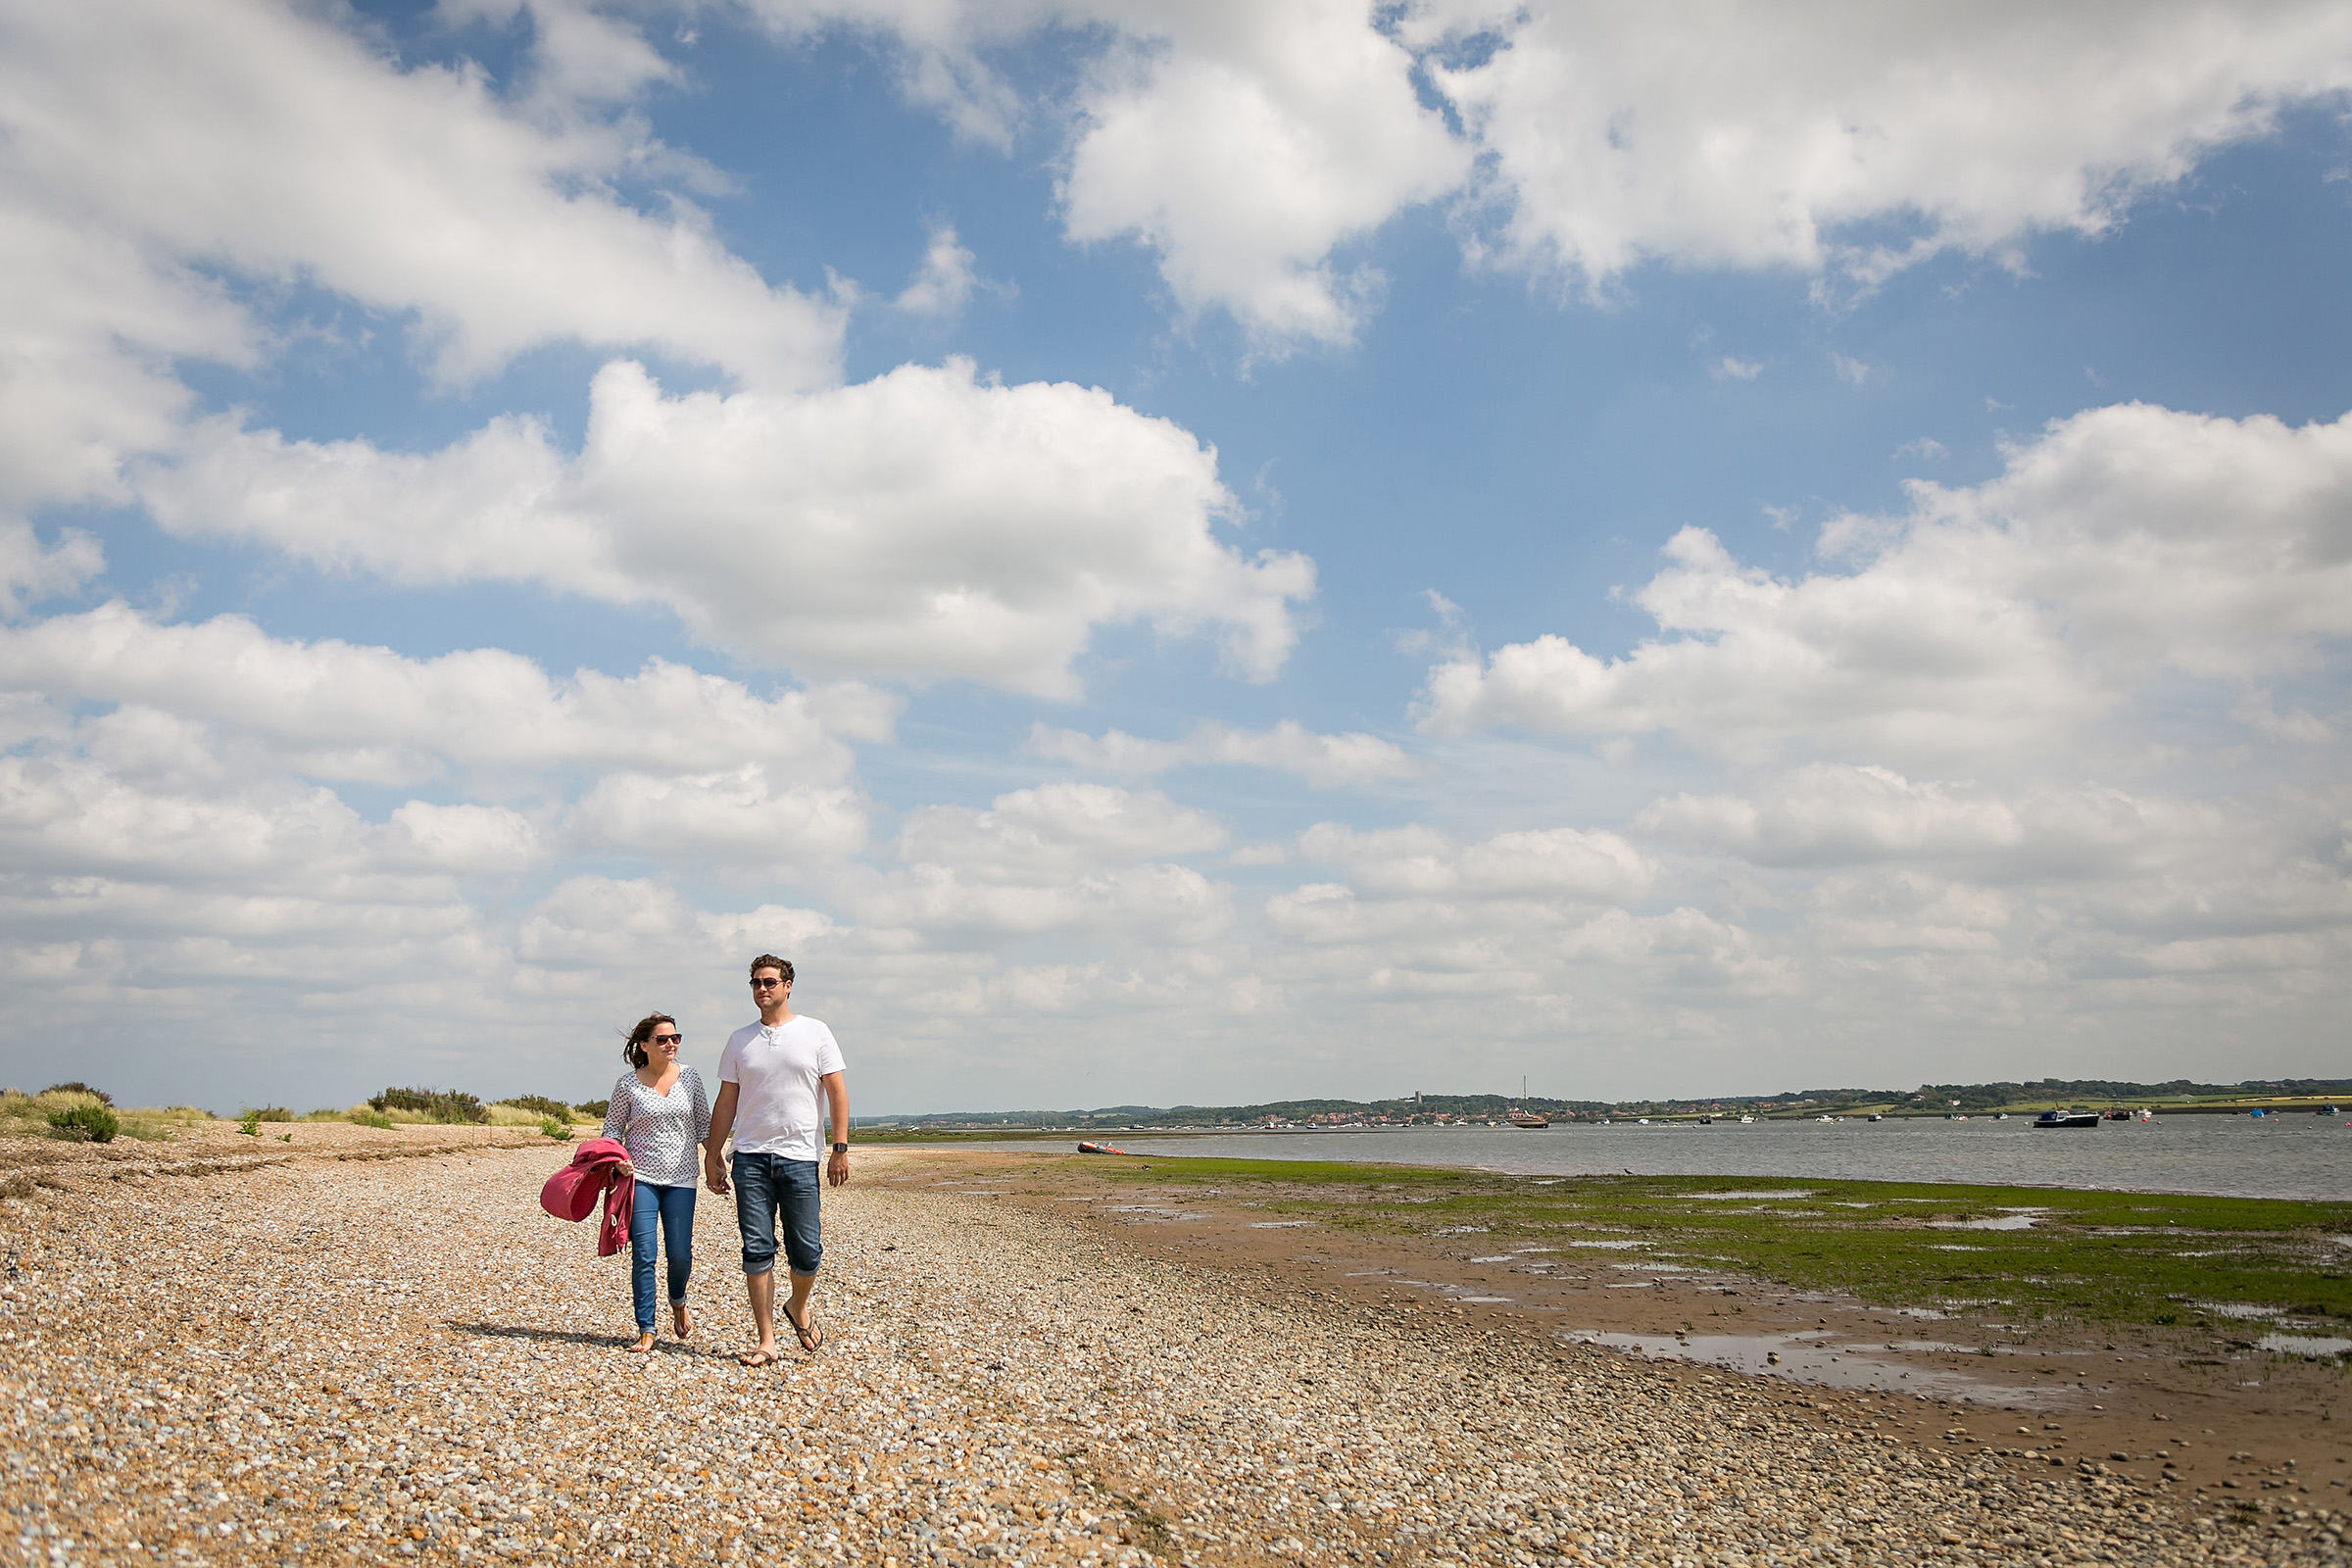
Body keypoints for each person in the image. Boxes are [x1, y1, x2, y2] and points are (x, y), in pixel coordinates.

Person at [705, 955, 849, 1366]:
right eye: (755, 983)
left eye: (769, 982)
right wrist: (713, 1154)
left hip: (801, 1157)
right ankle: (766, 1340)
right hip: (749, 1157)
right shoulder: (739, 1040)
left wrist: (839, 1149)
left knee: (806, 1251)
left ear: (788, 986)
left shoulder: (816, 1032)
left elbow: (837, 1091)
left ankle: (798, 1307)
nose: (761, 989)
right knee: (757, 1248)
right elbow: (726, 1100)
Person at [601, 1012, 711, 1354]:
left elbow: (705, 1127)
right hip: (640, 1179)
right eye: (662, 1039)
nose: (670, 1044)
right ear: (644, 1045)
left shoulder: (691, 1078)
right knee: (644, 1255)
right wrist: (617, 1157)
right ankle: (646, 1328)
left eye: (675, 1038)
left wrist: (720, 1159)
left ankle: (677, 1299)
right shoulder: (627, 1084)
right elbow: (611, 1129)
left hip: (682, 1178)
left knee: (680, 1256)